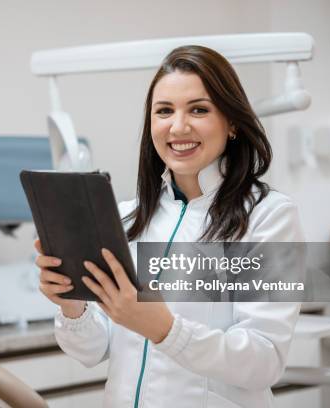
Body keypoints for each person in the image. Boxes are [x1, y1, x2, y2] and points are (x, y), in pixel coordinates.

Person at [34, 45, 304, 408]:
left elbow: (264, 360)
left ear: (233, 122)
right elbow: (91, 351)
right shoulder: (126, 217)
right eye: (164, 111)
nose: (178, 126)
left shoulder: (269, 217)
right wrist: (72, 303)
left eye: (199, 109)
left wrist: (164, 329)